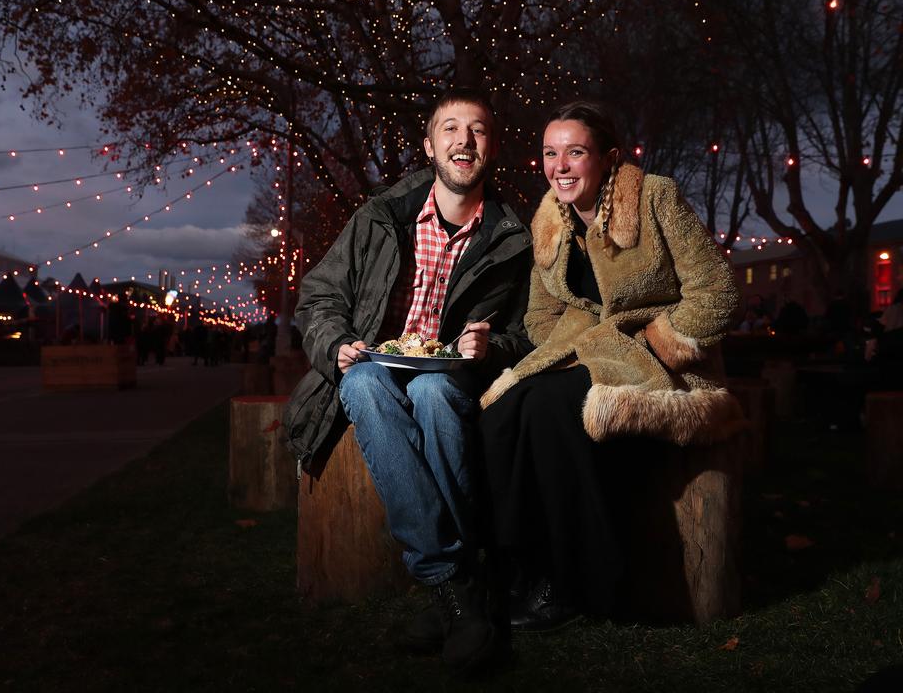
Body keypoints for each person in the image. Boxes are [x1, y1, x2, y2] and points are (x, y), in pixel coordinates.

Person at [284, 87, 534, 674]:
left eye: (476, 131)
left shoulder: (514, 237)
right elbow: (318, 297)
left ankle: (446, 593)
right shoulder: (378, 217)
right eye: (450, 129)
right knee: (367, 382)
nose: (463, 141)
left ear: (490, 148)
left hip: (450, 379)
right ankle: (458, 579)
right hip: (370, 366)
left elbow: (531, 331)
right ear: (429, 145)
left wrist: (489, 344)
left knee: (431, 391)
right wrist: (336, 343)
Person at [478, 101, 742, 634]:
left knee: (552, 406)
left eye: (576, 152)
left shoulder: (654, 198)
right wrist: (573, 350)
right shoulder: (549, 220)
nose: (561, 166)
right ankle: (514, 567)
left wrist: (656, 344)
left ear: (608, 158)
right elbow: (540, 315)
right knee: (504, 408)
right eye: (550, 154)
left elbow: (716, 291)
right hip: (592, 356)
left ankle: (574, 583)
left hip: (665, 369)